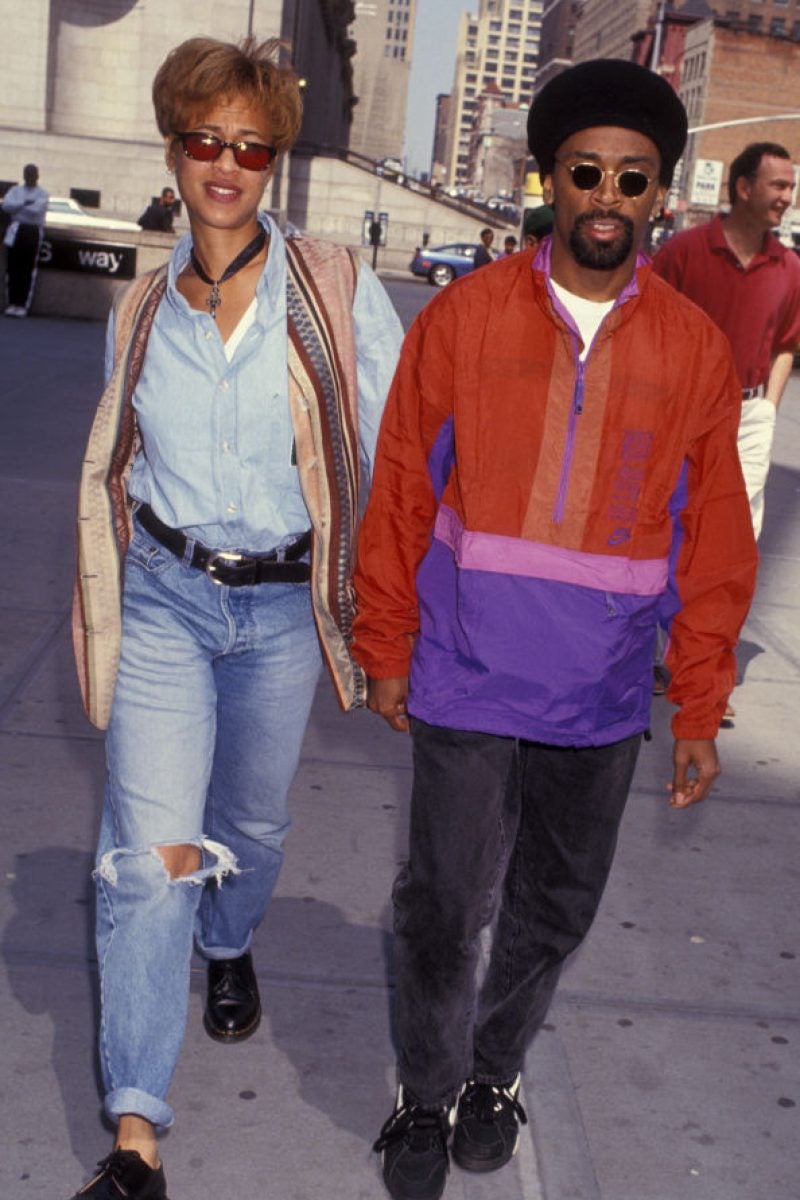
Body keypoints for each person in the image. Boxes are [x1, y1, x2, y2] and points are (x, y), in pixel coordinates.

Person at [352, 59, 758, 1200]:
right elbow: (401, 489)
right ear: (548, 179)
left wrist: (698, 701)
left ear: (659, 195)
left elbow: (714, 539)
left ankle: (493, 1072)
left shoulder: (692, 349)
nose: (606, 196)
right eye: (586, 172)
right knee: (445, 902)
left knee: (554, 907)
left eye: (631, 178)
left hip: (603, 690)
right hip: (466, 669)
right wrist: (386, 642)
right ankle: (425, 1090)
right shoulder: (463, 318)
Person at [69, 35, 402, 1200]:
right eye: (204, 140)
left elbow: (399, 448)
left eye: (250, 147)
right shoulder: (139, 307)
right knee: (148, 865)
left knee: (250, 829)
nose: (225, 163)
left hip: (281, 610)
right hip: (164, 601)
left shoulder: (333, 286)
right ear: (173, 150)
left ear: (274, 162)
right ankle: (137, 1136)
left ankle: (229, 941)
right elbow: (120, 460)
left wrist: (398, 614)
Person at [652, 142, 800, 541]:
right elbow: (647, 332)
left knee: (735, 532)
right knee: (672, 521)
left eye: (791, 187)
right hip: (683, 413)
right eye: (779, 185)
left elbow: (785, 345)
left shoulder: (789, 268)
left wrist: (767, 409)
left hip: (749, 416)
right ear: (744, 188)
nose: (788, 197)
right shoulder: (682, 253)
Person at [2, 163, 48, 317]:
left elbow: (37, 210)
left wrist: (17, 208)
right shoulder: (15, 190)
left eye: (32, 173)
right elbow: (6, 206)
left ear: (37, 175)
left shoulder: (42, 193)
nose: (29, 176)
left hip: (32, 232)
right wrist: (24, 204)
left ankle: (22, 305)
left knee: (27, 269)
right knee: (13, 268)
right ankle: (12, 303)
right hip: (16, 230)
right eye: (27, 173)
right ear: (23, 175)